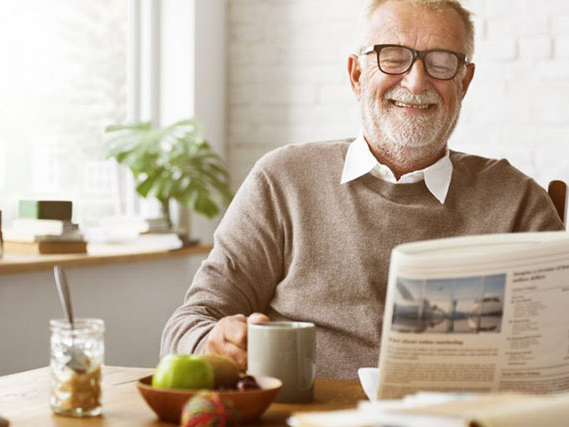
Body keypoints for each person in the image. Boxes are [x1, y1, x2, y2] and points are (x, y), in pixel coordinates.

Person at [160, 0, 565, 379]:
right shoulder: (283, 180)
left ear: (465, 81)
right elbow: (189, 324)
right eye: (392, 56)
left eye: (442, 62)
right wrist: (213, 342)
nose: (416, 79)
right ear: (357, 74)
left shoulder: (518, 201)